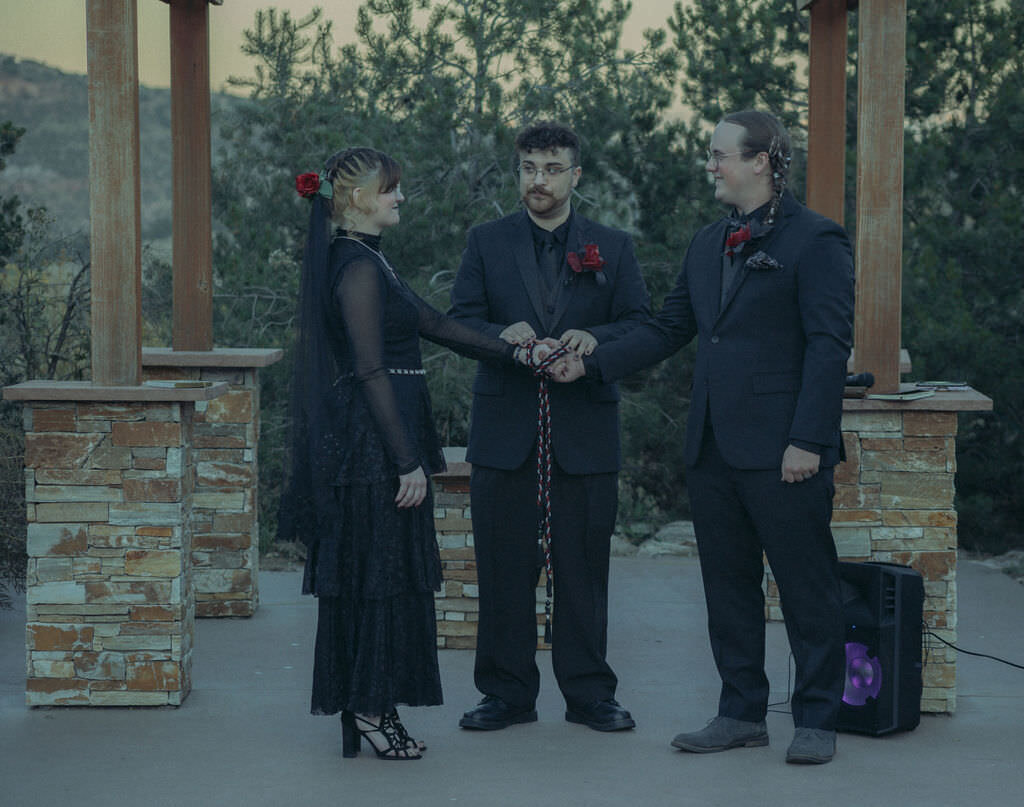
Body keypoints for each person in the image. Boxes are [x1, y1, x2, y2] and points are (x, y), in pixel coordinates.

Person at [552, 110, 855, 763]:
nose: (710, 165)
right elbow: (667, 329)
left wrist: (809, 438)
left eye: (719, 155)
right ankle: (741, 711)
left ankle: (818, 718)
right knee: (728, 588)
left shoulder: (817, 240)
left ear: (763, 161)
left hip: (786, 450)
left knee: (807, 587)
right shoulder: (706, 243)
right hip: (713, 448)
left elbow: (830, 347)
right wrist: (593, 358)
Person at [278, 147, 538, 760]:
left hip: (379, 439)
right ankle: (369, 708)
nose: (400, 197)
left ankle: (368, 703)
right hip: (373, 448)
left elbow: (436, 323)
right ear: (359, 198)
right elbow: (370, 371)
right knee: (380, 578)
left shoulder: (369, 259)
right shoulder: (358, 267)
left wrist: (514, 346)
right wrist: (404, 460)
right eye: (391, 189)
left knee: (383, 578)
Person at [449, 121, 651, 732]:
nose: (539, 180)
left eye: (552, 168)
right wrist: (499, 336)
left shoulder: (611, 247)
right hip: (506, 435)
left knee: (583, 569)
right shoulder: (486, 241)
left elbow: (641, 324)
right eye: (529, 168)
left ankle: (590, 694)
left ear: (575, 176)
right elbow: (460, 321)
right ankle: (506, 694)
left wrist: (597, 341)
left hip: (583, 435)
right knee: (505, 568)